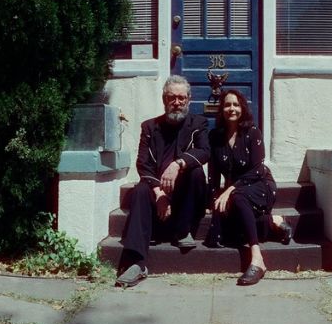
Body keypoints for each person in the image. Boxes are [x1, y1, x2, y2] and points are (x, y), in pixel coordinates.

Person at [116, 75, 209, 288]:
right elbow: (143, 164)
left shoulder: (198, 123)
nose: (176, 102)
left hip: (186, 194)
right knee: (140, 190)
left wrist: (178, 165)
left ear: (189, 99)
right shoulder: (150, 127)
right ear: (164, 99)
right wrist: (158, 193)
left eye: (181, 98)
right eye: (171, 98)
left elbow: (204, 152)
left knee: (196, 173)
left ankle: (183, 230)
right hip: (158, 191)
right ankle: (136, 262)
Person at [207, 89, 293, 286]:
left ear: (242, 108)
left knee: (238, 198)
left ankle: (257, 259)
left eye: (236, 105)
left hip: (260, 184)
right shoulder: (215, 136)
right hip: (237, 192)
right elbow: (213, 173)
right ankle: (272, 221)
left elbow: (257, 169)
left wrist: (229, 190)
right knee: (220, 232)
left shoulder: (252, 132)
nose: (232, 109)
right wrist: (213, 197)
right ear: (221, 109)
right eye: (227, 105)